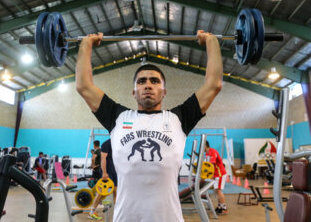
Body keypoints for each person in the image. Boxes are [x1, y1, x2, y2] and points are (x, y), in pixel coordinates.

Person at [76, 30, 223, 222]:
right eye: (141, 81)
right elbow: (83, 86)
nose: (148, 85)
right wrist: (86, 44)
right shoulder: (117, 117)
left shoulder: (179, 118)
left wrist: (211, 42)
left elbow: (214, 85)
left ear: (164, 91)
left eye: (154, 81)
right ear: (133, 92)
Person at [89, 139, 118, 220]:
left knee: (116, 192)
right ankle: (92, 211)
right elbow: (103, 159)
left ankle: (117, 212)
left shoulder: (119, 141)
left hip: (115, 171)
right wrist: (104, 172)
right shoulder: (107, 143)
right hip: (107, 171)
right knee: (101, 193)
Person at [205, 141, 228, 215]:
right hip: (216, 174)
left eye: (202, 146)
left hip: (220, 173)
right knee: (216, 190)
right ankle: (219, 206)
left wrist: (210, 176)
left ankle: (224, 208)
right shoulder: (207, 153)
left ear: (205, 145)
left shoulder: (212, 152)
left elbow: (212, 165)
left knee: (218, 190)